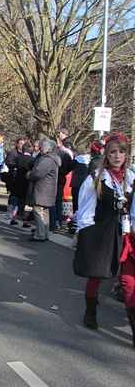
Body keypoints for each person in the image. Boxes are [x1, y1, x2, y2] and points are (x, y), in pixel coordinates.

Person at [74, 134, 135, 330]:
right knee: (97, 275)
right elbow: (85, 210)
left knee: (128, 281)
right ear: (106, 155)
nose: (117, 156)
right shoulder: (97, 178)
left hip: (126, 236)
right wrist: (85, 236)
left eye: (121, 152)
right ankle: (90, 311)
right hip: (102, 233)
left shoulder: (132, 178)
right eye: (113, 152)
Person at [26, 139, 61, 241]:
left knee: (38, 212)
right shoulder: (52, 159)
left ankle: (40, 235)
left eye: (42, 147)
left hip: (42, 189)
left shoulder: (47, 160)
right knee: (44, 213)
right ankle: (44, 234)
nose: (40, 148)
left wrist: (29, 174)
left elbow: (37, 173)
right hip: (47, 190)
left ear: (48, 148)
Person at [10, 142, 34, 227]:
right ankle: (25, 221)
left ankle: (13, 218)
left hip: (17, 182)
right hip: (27, 184)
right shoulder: (32, 160)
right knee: (26, 203)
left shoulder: (18, 158)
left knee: (17, 202)